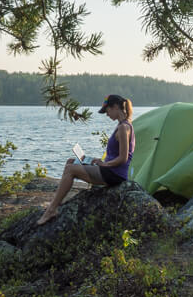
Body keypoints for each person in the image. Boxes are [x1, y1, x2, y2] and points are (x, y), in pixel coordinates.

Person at [37, 94, 136, 226]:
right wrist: (96, 160)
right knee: (70, 162)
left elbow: (123, 158)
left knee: (70, 170)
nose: (107, 115)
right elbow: (115, 154)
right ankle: (58, 201)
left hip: (114, 174)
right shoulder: (122, 125)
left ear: (116, 107)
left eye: (107, 111)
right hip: (108, 169)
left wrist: (105, 164)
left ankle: (51, 210)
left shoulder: (124, 128)